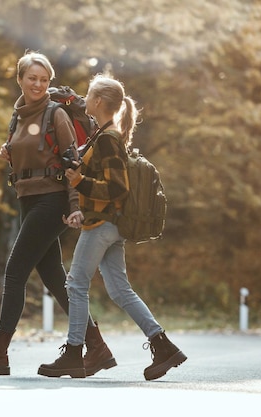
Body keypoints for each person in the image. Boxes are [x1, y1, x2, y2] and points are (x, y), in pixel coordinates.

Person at [37, 73, 187, 381]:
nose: (85, 99)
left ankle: (74, 353)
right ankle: (163, 345)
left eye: (89, 95)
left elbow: (117, 189)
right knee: (120, 290)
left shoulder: (108, 138)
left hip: (104, 225)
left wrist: (79, 181)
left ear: (99, 102)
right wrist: (81, 207)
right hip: (108, 223)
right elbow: (106, 185)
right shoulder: (103, 134)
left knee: (76, 284)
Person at [0, 51, 84, 376]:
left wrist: (74, 207)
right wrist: (10, 154)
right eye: (32, 78)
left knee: (15, 272)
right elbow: (34, 156)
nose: (38, 85)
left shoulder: (56, 114)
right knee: (55, 278)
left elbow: (73, 163)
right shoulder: (18, 116)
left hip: (53, 201)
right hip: (29, 200)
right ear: (20, 79)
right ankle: (94, 344)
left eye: (44, 80)